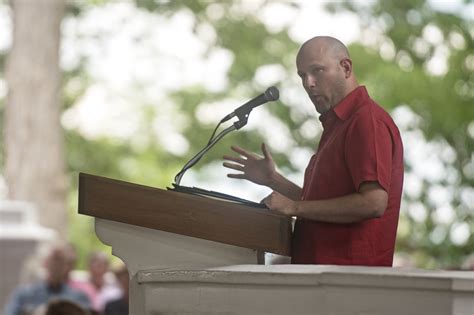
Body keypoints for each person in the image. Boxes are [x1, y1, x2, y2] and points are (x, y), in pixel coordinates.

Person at [223, 36, 404, 266]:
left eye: (317, 70)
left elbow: (373, 203)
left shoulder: (366, 120)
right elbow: (320, 207)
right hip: (319, 278)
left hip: (347, 283)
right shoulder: (338, 124)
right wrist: (274, 180)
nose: (308, 83)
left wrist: (294, 207)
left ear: (346, 67)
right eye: (302, 75)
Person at [4, 242, 91, 315]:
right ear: (45, 263)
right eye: (53, 259)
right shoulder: (24, 295)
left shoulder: (79, 298)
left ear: (66, 266)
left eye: (60, 260)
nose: (56, 266)